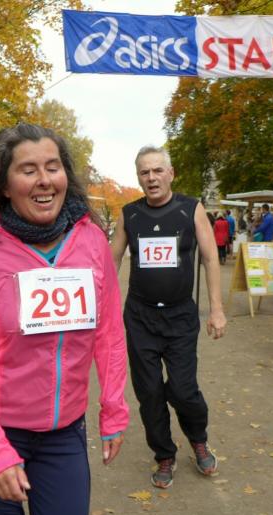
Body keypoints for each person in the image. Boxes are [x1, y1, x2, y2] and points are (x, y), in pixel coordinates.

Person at [0, 123, 128, 515]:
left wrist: (114, 408)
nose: (44, 180)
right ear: (5, 186)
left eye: (52, 167)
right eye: (28, 170)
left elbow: (110, 333)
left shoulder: (92, 241)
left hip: (65, 437)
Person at [111, 145, 226, 489]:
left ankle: (198, 438)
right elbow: (111, 260)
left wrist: (217, 309)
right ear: (139, 178)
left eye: (157, 170)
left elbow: (210, 258)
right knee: (149, 392)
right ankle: (164, 454)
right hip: (140, 318)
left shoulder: (191, 209)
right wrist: (100, 307)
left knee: (183, 389)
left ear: (171, 173)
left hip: (180, 318)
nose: (151, 178)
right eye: (144, 172)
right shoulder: (130, 214)